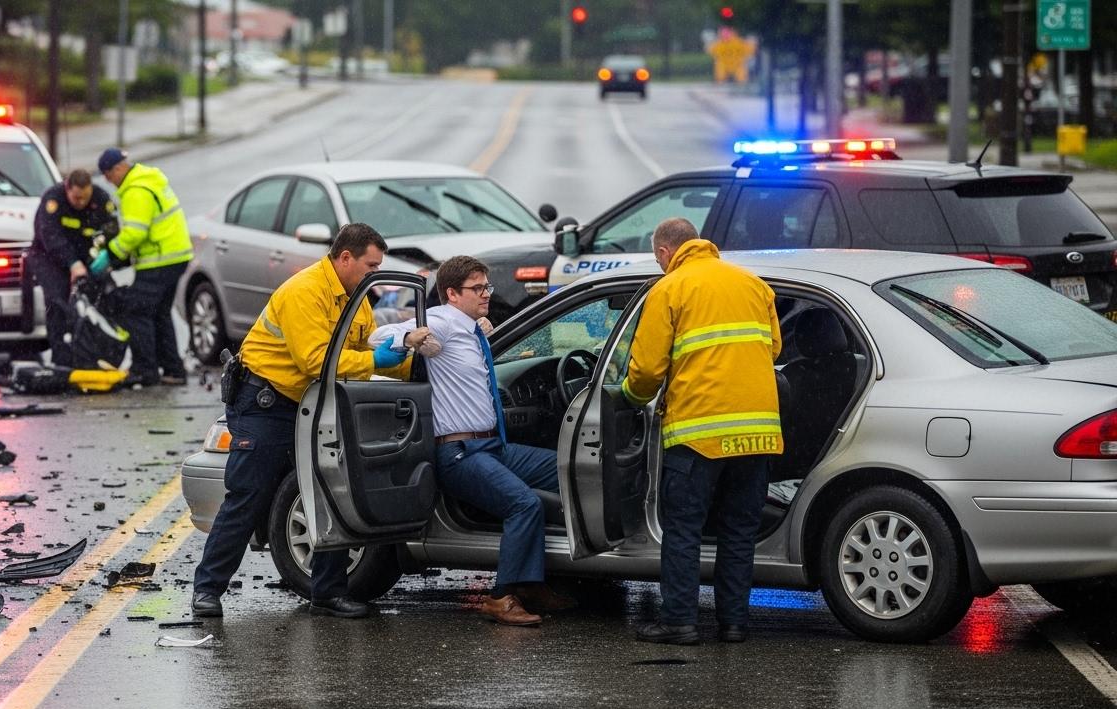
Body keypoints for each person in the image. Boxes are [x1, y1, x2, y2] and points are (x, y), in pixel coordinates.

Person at [191, 223, 413, 620]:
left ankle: (326, 593)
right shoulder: (304, 292)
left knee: (327, 492)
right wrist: (375, 362)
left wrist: (413, 364)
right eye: (370, 265)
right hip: (266, 402)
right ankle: (207, 590)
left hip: (310, 402)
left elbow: (364, 347)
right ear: (345, 257)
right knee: (249, 495)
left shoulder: (354, 296)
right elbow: (316, 362)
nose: (375, 273)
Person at [370, 255, 576, 627]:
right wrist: (409, 337)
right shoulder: (441, 321)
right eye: (477, 289)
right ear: (451, 293)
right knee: (523, 504)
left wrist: (481, 329)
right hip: (459, 451)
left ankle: (530, 584)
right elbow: (377, 336)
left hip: (492, 446)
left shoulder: (469, 327)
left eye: (487, 287)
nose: (485, 294)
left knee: (568, 468)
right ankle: (502, 596)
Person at [621, 217, 782, 645]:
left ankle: (679, 621)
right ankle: (733, 623)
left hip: (698, 436)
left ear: (663, 254)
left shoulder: (669, 289)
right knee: (737, 532)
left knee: (684, 530)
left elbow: (646, 371)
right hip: (758, 434)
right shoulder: (753, 285)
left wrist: (631, 397)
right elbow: (775, 348)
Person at [97, 148, 193, 386]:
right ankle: (173, 370)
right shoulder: (148, 179)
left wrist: (109, 255)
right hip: (175, 257)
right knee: (160, 313)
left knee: (136, 312)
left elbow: (134, 233)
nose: (109, 182)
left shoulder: (136, 190)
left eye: (108, 176)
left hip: (159, 260)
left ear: (118, 168)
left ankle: (145, 370)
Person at [29, 168, 116, 367]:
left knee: (100, 301)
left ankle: (91, 356)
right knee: (58, 303)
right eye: (76, 198)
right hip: (49, 257)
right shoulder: (53, 199)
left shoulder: (101, 198)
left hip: (85, 257)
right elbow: (50, 235)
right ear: (67, 189)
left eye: (85, 198)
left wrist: (104, 257)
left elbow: (111, 229)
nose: (81, 203)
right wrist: (72, 263)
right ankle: (61, 359)